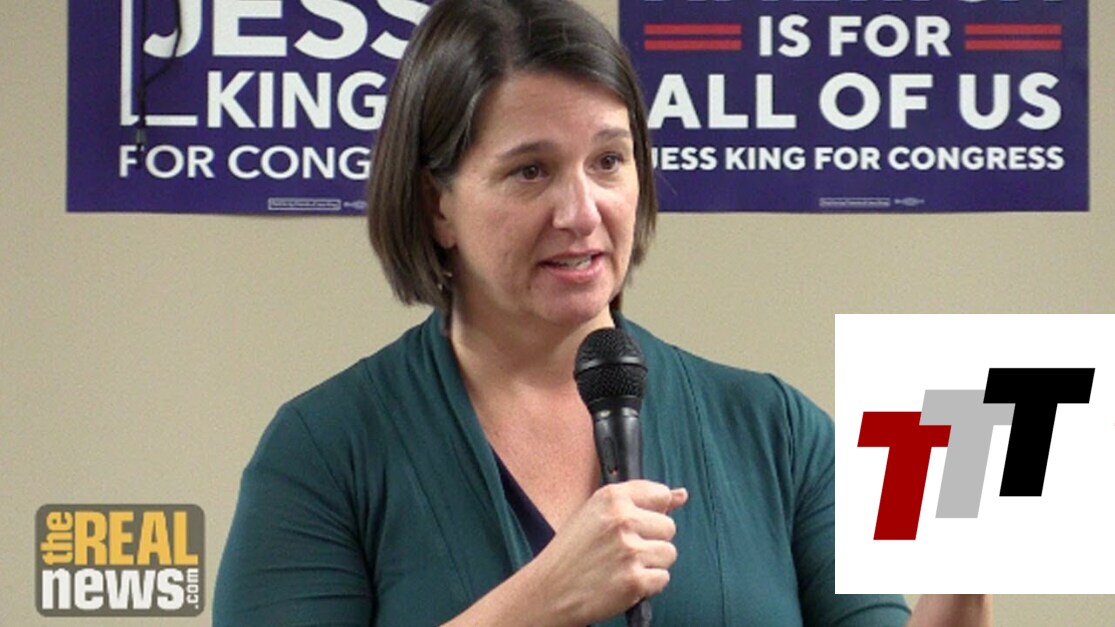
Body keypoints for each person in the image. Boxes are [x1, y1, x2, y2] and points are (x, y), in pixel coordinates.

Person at [213, 1, 992, 625]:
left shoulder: (777, 431)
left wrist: (969, 551)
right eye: (530, 171)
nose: (581, 212)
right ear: (436, 204)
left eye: (608, 161)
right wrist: (536, 603)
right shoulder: (324, 450)